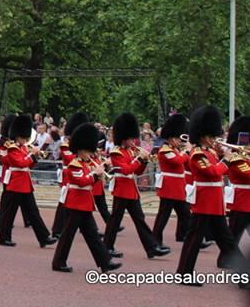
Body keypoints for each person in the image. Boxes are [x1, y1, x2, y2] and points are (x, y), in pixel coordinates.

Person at [176, 105, 242, 283]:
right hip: (205, 202)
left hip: (214, 203)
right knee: (196, 239)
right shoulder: (197, 155)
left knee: (225, 241)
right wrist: (226, 160)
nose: (214, 139)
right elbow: (213, 173)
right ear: (203, 136)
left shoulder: (209, 153)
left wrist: (225, 158)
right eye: (212, 136)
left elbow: (221, 171)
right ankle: (184, 274)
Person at [51, 122, 120, 274]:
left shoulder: (86, 162)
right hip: (75, 204)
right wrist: (95, 173)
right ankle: (58, 262)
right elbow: (82, 182)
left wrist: (104, 168)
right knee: (67, 236)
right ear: (81, 150)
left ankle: (105, 262)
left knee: (93, 236)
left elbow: (91, 179)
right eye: (87, 151)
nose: (89, 154)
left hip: (84, 204)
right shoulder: (74, 165)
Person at [102, 112, 169, 259]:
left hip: (131, 190)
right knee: (115, 220)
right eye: (130, 138)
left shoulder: (131, 151)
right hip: (121, 190)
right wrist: (139, 159)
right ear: (123, 138)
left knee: (139, 219)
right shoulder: (116, 153)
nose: (133, 141)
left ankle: (151, 247)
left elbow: (137, 171)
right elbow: (126, 170)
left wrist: (144, 161)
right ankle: (107, 247)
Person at [0, 114, 57, 248]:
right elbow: (19, 163)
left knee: (33, 212)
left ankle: (44, 237)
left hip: (25, 184)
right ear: (18, 136)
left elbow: (28, 165)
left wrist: (34, 156)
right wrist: (32, 155)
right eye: (24, 137)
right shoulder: (12, 148)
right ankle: (4, 237)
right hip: (16, 184)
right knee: (9, 213)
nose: (25, 140)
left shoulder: (23, 148)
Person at [151, 114, 191, 247]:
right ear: (171, 138)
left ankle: (183, 235)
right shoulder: (165, 150)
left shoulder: (174, 149)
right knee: (163, 216)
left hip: (178, 188)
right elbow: (177, 161)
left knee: (185, 213)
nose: (179, 141)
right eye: (177, 138)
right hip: (169, 188)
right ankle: (155, 241)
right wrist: (186, 152)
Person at [224, 115, 250, 245]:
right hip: (241, 201)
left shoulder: (245, 157)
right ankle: (225, 258)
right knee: (234, 236)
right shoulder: (236, 159)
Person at [51, 112, 88, 239]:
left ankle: (64, 229)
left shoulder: (79, 147)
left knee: (69, 203)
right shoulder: (65, 145)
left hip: (77, 174)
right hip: (68, 175)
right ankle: (57, 230)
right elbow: (70, 158)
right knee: (63, 203)